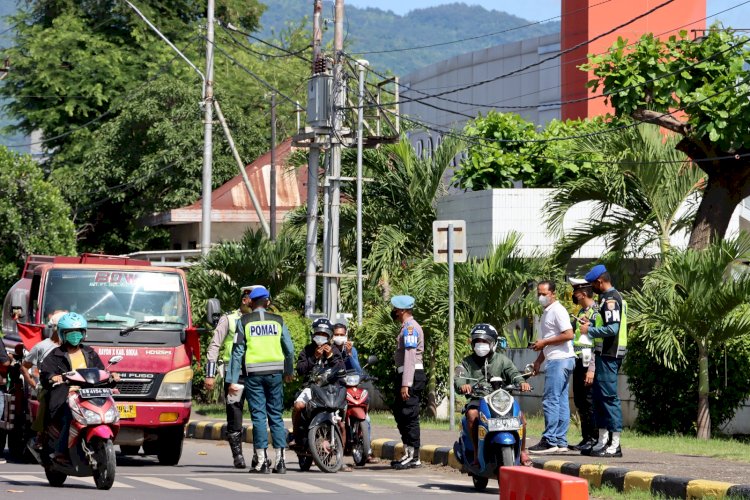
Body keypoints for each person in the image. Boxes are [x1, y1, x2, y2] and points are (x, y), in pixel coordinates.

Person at [228, 286, 294, 474]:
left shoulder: (244, 321)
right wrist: (289, 370)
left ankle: (262, 462)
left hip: (254, 376)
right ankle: (281, 462)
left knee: (258, 416)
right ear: (267, 302)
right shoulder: (278, 321)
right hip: (275, 374)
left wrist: (233, 379)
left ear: (251, 303)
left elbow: (237, 352)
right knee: (276, 416)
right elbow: (288, 348)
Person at [40, 312, 119, 463]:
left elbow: (101, 372)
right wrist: (53, 377)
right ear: (63, 334)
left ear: (84, 334)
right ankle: (60, 452)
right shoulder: (54, 355)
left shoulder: (90, 353)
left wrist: (112, 377)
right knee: (70, 417)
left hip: (89, 395)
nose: (75, 336)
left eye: (78, 332)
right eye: (71, 333)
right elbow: (46, 374)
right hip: (66, 397)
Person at [455, 324, 531, 466]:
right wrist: (463, 385)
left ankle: (522, 451)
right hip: (478, 399)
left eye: (484, 341)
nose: (480, 345)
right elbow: (459, 377)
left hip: (500, 400)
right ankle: (478, 454)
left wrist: (521, 382)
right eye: (477, 341)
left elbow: (513, 373)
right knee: (472, 415)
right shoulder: (467, 362)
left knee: (521, 418)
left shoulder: (502, 360)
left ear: (493, 343)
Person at [204, 285, 256, 469]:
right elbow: (214, 346)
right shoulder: (229, 319)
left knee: (259, 414)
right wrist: (210, 375)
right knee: (234, 413)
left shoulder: (259, 320)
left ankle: (259, 455)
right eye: (254, 299)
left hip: (255, 374)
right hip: (233, 375)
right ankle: (238, 455)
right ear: (245, 300)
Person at [580, 264, 627, 458]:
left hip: (610, 354)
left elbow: (612, 330)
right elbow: (604, 324)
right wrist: (591, 324)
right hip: (601, 354)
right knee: (599, 399)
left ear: (600, 281)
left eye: (592, 284)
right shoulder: (604, 298)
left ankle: (614, 444)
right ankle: (602, 440)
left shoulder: (612, 300)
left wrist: (588, 331)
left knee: (609, 398)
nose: (591, 288)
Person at [292, 318, 349, 470]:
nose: (321, 336)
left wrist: (330, 357)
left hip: (330, 389)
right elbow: (300, 369)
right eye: (318, 333)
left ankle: (339, 456)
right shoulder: (307, 350)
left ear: (329, 336)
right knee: (298, 405)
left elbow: (341, 369)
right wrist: (314, 358)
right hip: (311, 389)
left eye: (324, 334)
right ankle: (296, 437)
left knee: (341, 420)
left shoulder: (334, 350)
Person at [528, 280, 576, 454]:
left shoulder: (557, 310)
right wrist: (539, 360)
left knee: (551, 400)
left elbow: (569, 334)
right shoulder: (547, 312)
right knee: (561, 400)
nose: (540, 297)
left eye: (544, 294)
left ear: (553, 293)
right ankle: (561, 441)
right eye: (538, 294)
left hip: (560, 360)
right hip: (558, 358)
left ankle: (550, 440)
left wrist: (545, 342)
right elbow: (548, 341)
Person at [390, 295, 425, 469]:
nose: (394, 312)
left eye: (395, 309)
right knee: (400, 413)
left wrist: (406, 383)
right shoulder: (406, 327)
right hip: (405, 375)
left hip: (411, 375)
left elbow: (410, 357)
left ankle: (414, 456)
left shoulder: (410, 328)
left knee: (409, 415)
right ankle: (407, 451)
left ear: (402, 311)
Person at [21, 311, 65, 449]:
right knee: (48, 398)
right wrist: (34, 385)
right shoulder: (41, 347)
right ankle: (40, 434)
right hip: (47, 386)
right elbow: (24, 366)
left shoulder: (72, 348)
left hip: (69, 385)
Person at [568, 278, 599, 454]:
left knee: (588, 401)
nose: (573, 295)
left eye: (576, 291)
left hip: (589, 362)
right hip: (579, 361)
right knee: (580, 401)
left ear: (584, 293)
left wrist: (592, 369)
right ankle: (586, 437)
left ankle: (594, 438)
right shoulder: (581, 312)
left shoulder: (595, 313)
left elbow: (596, 343)